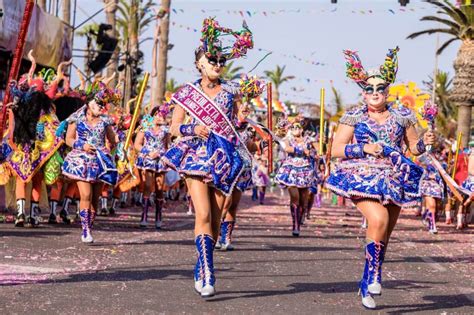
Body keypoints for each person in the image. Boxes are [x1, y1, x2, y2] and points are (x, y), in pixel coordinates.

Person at [326, 48, 435, 309]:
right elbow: (335, 149)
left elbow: (412, 147)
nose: (375, 93)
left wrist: (426, 143)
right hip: (362, 176)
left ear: (388, 91)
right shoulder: (354, 115)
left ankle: (366, 283)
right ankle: (374, 276)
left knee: (383, 233)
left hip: (395, 178)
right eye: (369, 89)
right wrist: (363, 148)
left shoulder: (402, 115)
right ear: (363, 92)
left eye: (380, 88)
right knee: (378, 218)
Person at [161, 17, 254, 298]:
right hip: (196, 156)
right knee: (201, 213)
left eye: (220, 60)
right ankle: (209, 273)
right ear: (199, 62)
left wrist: (245, 126)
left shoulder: (231, 91)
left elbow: (235, 123)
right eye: (210, 59)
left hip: (223, 158)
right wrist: (193, 128)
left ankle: (202, 262)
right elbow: (173, 127)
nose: (216, 63)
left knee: (215, 218)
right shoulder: (187, 93)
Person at [62, 81, 120, 243]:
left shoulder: (105, 121)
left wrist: (119, 136)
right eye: (97, 103)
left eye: (102, 104)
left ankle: (89, 224)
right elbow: (68, 139)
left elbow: (112, 139)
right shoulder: (77, 119)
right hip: (81, 161)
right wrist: (83, 145)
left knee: (94, 199)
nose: (100, 107)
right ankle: (85, 230)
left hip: (100, 162)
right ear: (88, 103)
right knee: (85, 194)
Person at [275, 115, 316, 236]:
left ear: (302, 129)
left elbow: (318, 151)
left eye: (297, 127)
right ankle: (295, 225)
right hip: (291, 170)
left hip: (306, 171)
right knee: (295, 198)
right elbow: (287, 149)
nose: (295, 129)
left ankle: (300, 220)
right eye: (292, 127)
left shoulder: (309, 140)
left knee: (304, 200)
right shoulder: (288, 139)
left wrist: (315, 152)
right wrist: (302, 151)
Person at [134, 105, 170, 229]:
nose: (161, 117)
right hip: (148, 159)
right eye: (159, 114)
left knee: (160, 188)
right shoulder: (145, 127)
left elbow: (167, 145)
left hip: (161, 160)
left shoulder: (166, 130)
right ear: (153, 115)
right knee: (148, 186)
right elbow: (137, 144)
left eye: (163, 115)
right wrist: (148, 153)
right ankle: (144, 216)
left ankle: (158, 216)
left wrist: (164, 154)